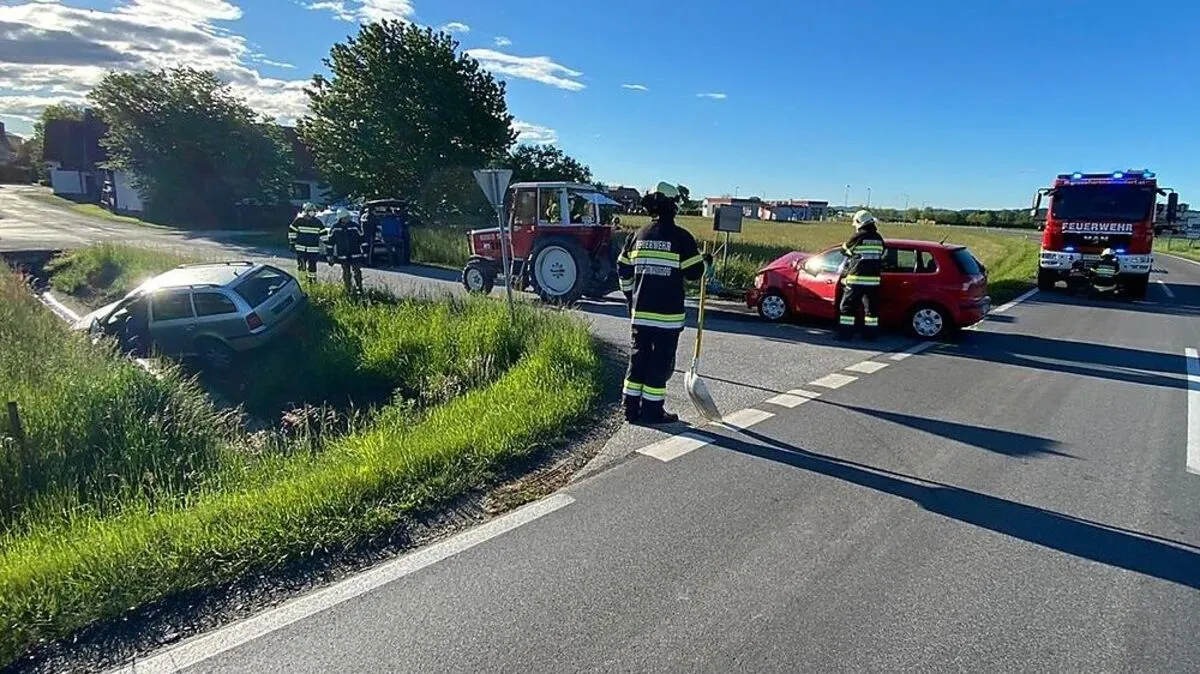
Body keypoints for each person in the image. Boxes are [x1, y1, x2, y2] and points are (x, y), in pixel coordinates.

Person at [616, 182, 711, 425]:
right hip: (667, 318)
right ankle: (652, 411)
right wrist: (706, 263)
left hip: (640, 315)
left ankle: (630, 409)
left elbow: (623, 269)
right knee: (659, 365)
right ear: (674, 207)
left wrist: (629, 298)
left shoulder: (637, 236)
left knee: (637, 361)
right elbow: (694, 272)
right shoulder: (681, 238)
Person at [837, 210, 886, 341]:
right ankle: (870, 336)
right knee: (871, 311)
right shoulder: (878, 238)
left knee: (847, 308)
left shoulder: (858, 236)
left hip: (856, 280)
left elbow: (844, 250)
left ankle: (845, 335)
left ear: (859, 222)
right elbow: (882, 254)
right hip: (874, 282)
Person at [326, 208, 366, 295]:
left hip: (355, 254)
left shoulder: (355, 226)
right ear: (341, 218)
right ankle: (348, 289)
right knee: (346, 273)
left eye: (348, 217)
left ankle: (360, 288)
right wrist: (330, 256)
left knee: (357, 272)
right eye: (346, 217)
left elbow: (362, 240)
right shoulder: (335, 228)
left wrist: (365, 253)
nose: (348, 218)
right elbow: (330, 244)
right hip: (343, 255)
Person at [287, 203, 324, 284]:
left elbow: (323, 234)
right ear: (306, 211)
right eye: (311, 211)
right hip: (301, 249)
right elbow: (291, 231)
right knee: (301, 266)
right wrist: (292, 243)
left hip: (313, 250)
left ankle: (312, 281)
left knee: (313, 266)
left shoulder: (318, 222)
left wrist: (328, 245)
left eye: (313, 211)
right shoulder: (298, 221)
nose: (312, 212)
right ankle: (302, 281)